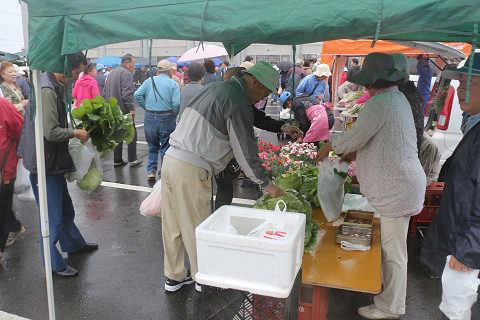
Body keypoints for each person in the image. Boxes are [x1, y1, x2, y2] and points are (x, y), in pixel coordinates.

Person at [317, 52, 426, 319]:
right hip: (402, 183)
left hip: (396, 188)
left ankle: (390, 307)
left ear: (375, 80)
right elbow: (384, 139)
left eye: (367, 81)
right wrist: (354, 153)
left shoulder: (381, 103)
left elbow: (356, 135)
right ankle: (388, 297)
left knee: (394, 254)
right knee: (393, 250)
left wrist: (329, 148)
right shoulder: (396, 98)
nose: (365, 86)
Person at [161, 62, 287, 292]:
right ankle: (204, 278)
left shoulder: (217, 88)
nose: (262, 98)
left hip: (171, 158)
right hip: (191, 166)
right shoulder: (237, 101)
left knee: (173, 223)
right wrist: (267, 184)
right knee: (196, 225)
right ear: (254, 81)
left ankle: (175, 276)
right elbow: (245, 151)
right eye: (264, 92)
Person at [18, 52, 98, 277]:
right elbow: (51, 131)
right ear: (62, 67)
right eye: (73, 74)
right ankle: (53, 264)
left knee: (65, 208)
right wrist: (75, 132)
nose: (74, 78)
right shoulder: (46, 89)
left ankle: (73, 245)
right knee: (51, 217)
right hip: (44, 161)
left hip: (51, 158)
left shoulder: (54, 84)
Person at [420, 52, 480, 317]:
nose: (461, 88)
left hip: (469, 250)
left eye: (472, 82)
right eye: (460, 81)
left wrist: (469, 249)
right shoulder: (476, 126)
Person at [134, 59, 180, 180]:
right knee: (165, 145)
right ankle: (163, 171)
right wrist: (174, 114)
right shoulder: (173, 84)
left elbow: (137, 95)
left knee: (152, 145)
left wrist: (146, 107)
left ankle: (151, 170)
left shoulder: (149, 81)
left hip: (149, 116)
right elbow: (176, 103)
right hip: (166, 116)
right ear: (170, 71)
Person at [103, 54, 142, 167]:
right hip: (123, 109)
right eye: (133, 64)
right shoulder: (126, 74)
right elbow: (127, 93)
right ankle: (132, 159)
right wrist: (131, 108)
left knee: (117, 135)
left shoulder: (112, 73)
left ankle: (117, 160)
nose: (133, 67)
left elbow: (104, 92)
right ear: (127, 63)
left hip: (113, 110)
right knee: (131, 134)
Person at [0, 98, 25, 264]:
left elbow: (20, 129)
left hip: (5, 170)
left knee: (2, 206)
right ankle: (15, 228)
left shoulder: (3, 105)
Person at [390, 53, 425, 153]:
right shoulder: (400, 92)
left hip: (406, 154)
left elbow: (416, 132)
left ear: (404, 71)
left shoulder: (412, 96)